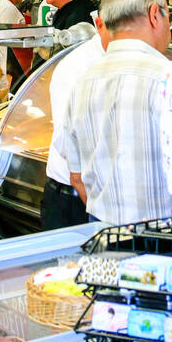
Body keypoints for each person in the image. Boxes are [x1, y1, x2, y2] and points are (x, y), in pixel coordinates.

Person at [61, 0, 172, 225]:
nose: (169, 28)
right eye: (170, 19)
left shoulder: (83, 83)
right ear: (154, 14)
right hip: (166, 238)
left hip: (103, 233)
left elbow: (76, 177)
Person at [40, 14, 110, 231]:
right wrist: (99, 209)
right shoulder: (79, 65)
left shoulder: (134, 59)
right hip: (74, 199)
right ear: (100, 25)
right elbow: (69, 144)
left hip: (101, 197)